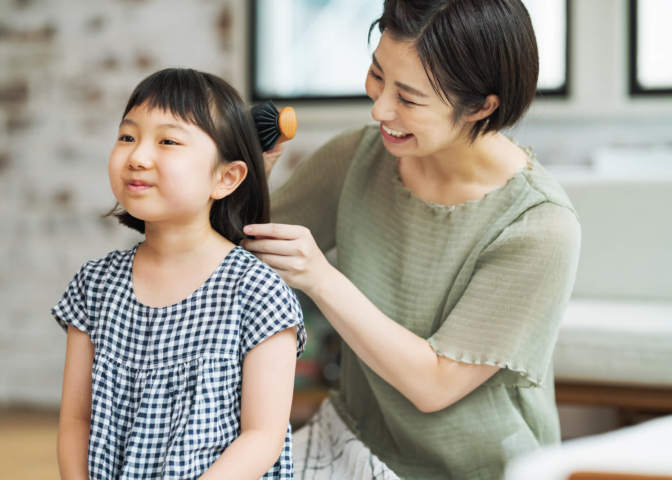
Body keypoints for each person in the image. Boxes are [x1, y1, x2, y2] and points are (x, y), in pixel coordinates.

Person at [239, 1, 581, 479]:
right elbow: (236, 254)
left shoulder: (539, 226)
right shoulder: (357, 156)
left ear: (482, 106)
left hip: (482, 469)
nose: (380, 108)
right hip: (354, 446)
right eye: (377, 75)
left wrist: (320, 278)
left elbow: (434, 384)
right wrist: (247, 181)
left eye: (410, 98)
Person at [51, 68, 306, 480]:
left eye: (167, 141)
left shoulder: (257, 292)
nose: (137, 156)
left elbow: (263, 436)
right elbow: (76, 419)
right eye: (127, 136)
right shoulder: (94, 286)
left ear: (226, 178)